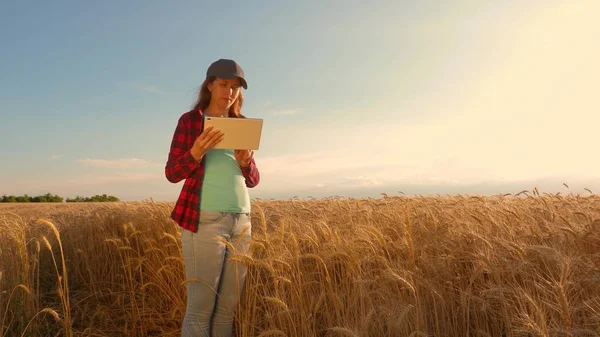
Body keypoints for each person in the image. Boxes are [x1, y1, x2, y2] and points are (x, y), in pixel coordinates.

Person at [165, 58, 260, 337]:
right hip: (204, 219)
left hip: (242, 221)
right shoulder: (191, 121)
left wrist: (246, 162)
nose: (229, 92)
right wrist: (195, 152)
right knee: (200, 308)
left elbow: (253, 180)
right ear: (209, 85)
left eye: (235, 87)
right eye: (223, 84)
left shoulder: (242, 124)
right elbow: (172, 172)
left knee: (227, 309)